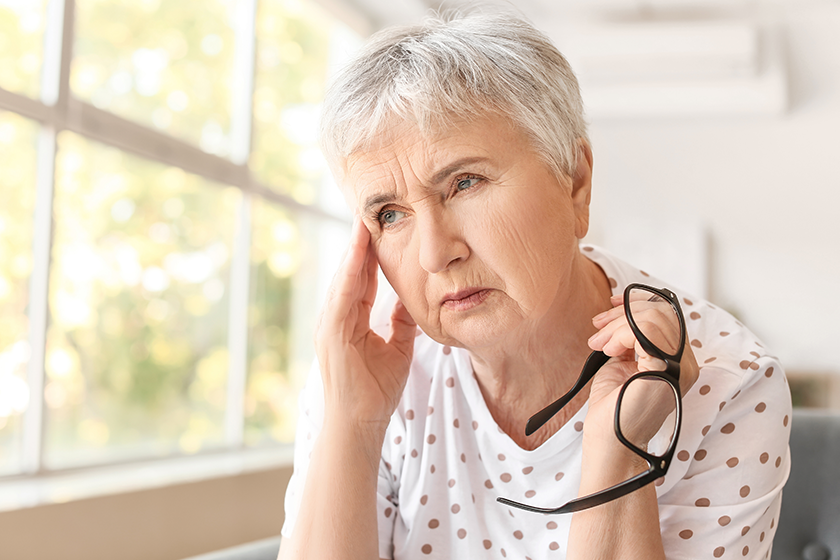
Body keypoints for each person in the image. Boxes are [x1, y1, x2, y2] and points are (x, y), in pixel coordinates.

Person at [277, 10, 791, 560]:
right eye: (390, 215)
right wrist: (353, 424)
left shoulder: (731, 386)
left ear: (574, 181)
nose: (434, 254)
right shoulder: (361, 368)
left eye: (464, 182)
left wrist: (618, 453)